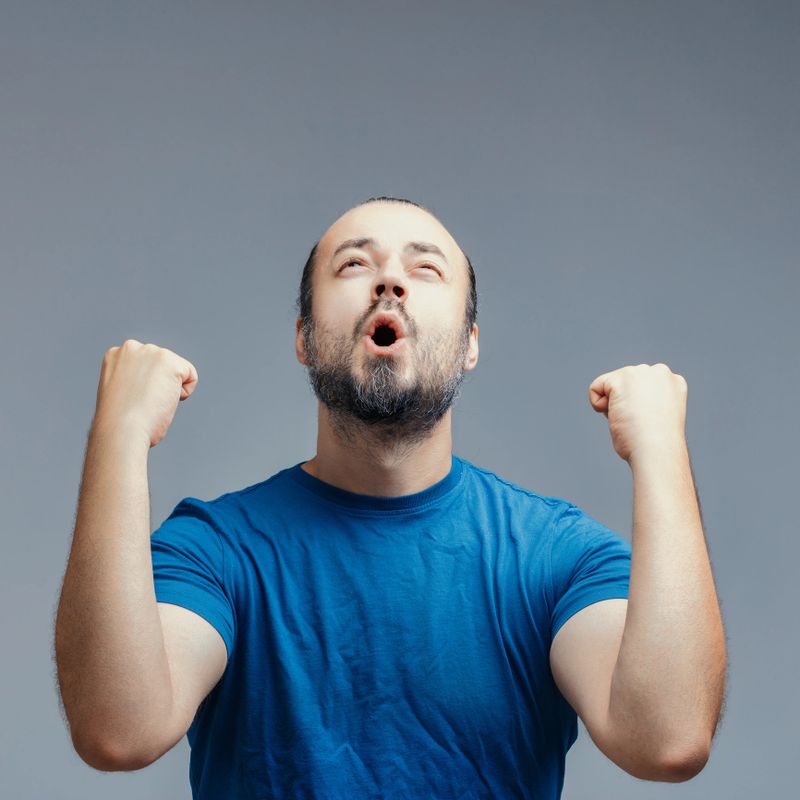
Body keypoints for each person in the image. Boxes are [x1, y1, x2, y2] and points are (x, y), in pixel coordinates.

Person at [55, 196, 726, 798]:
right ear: (304, 338)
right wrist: (118, 435)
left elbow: (666, 740)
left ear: (468, 344)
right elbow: (118, 731)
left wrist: (662, 451)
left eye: (426, 269)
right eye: (352, 266)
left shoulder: (557, 557)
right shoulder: (214, 551)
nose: (388, 280)